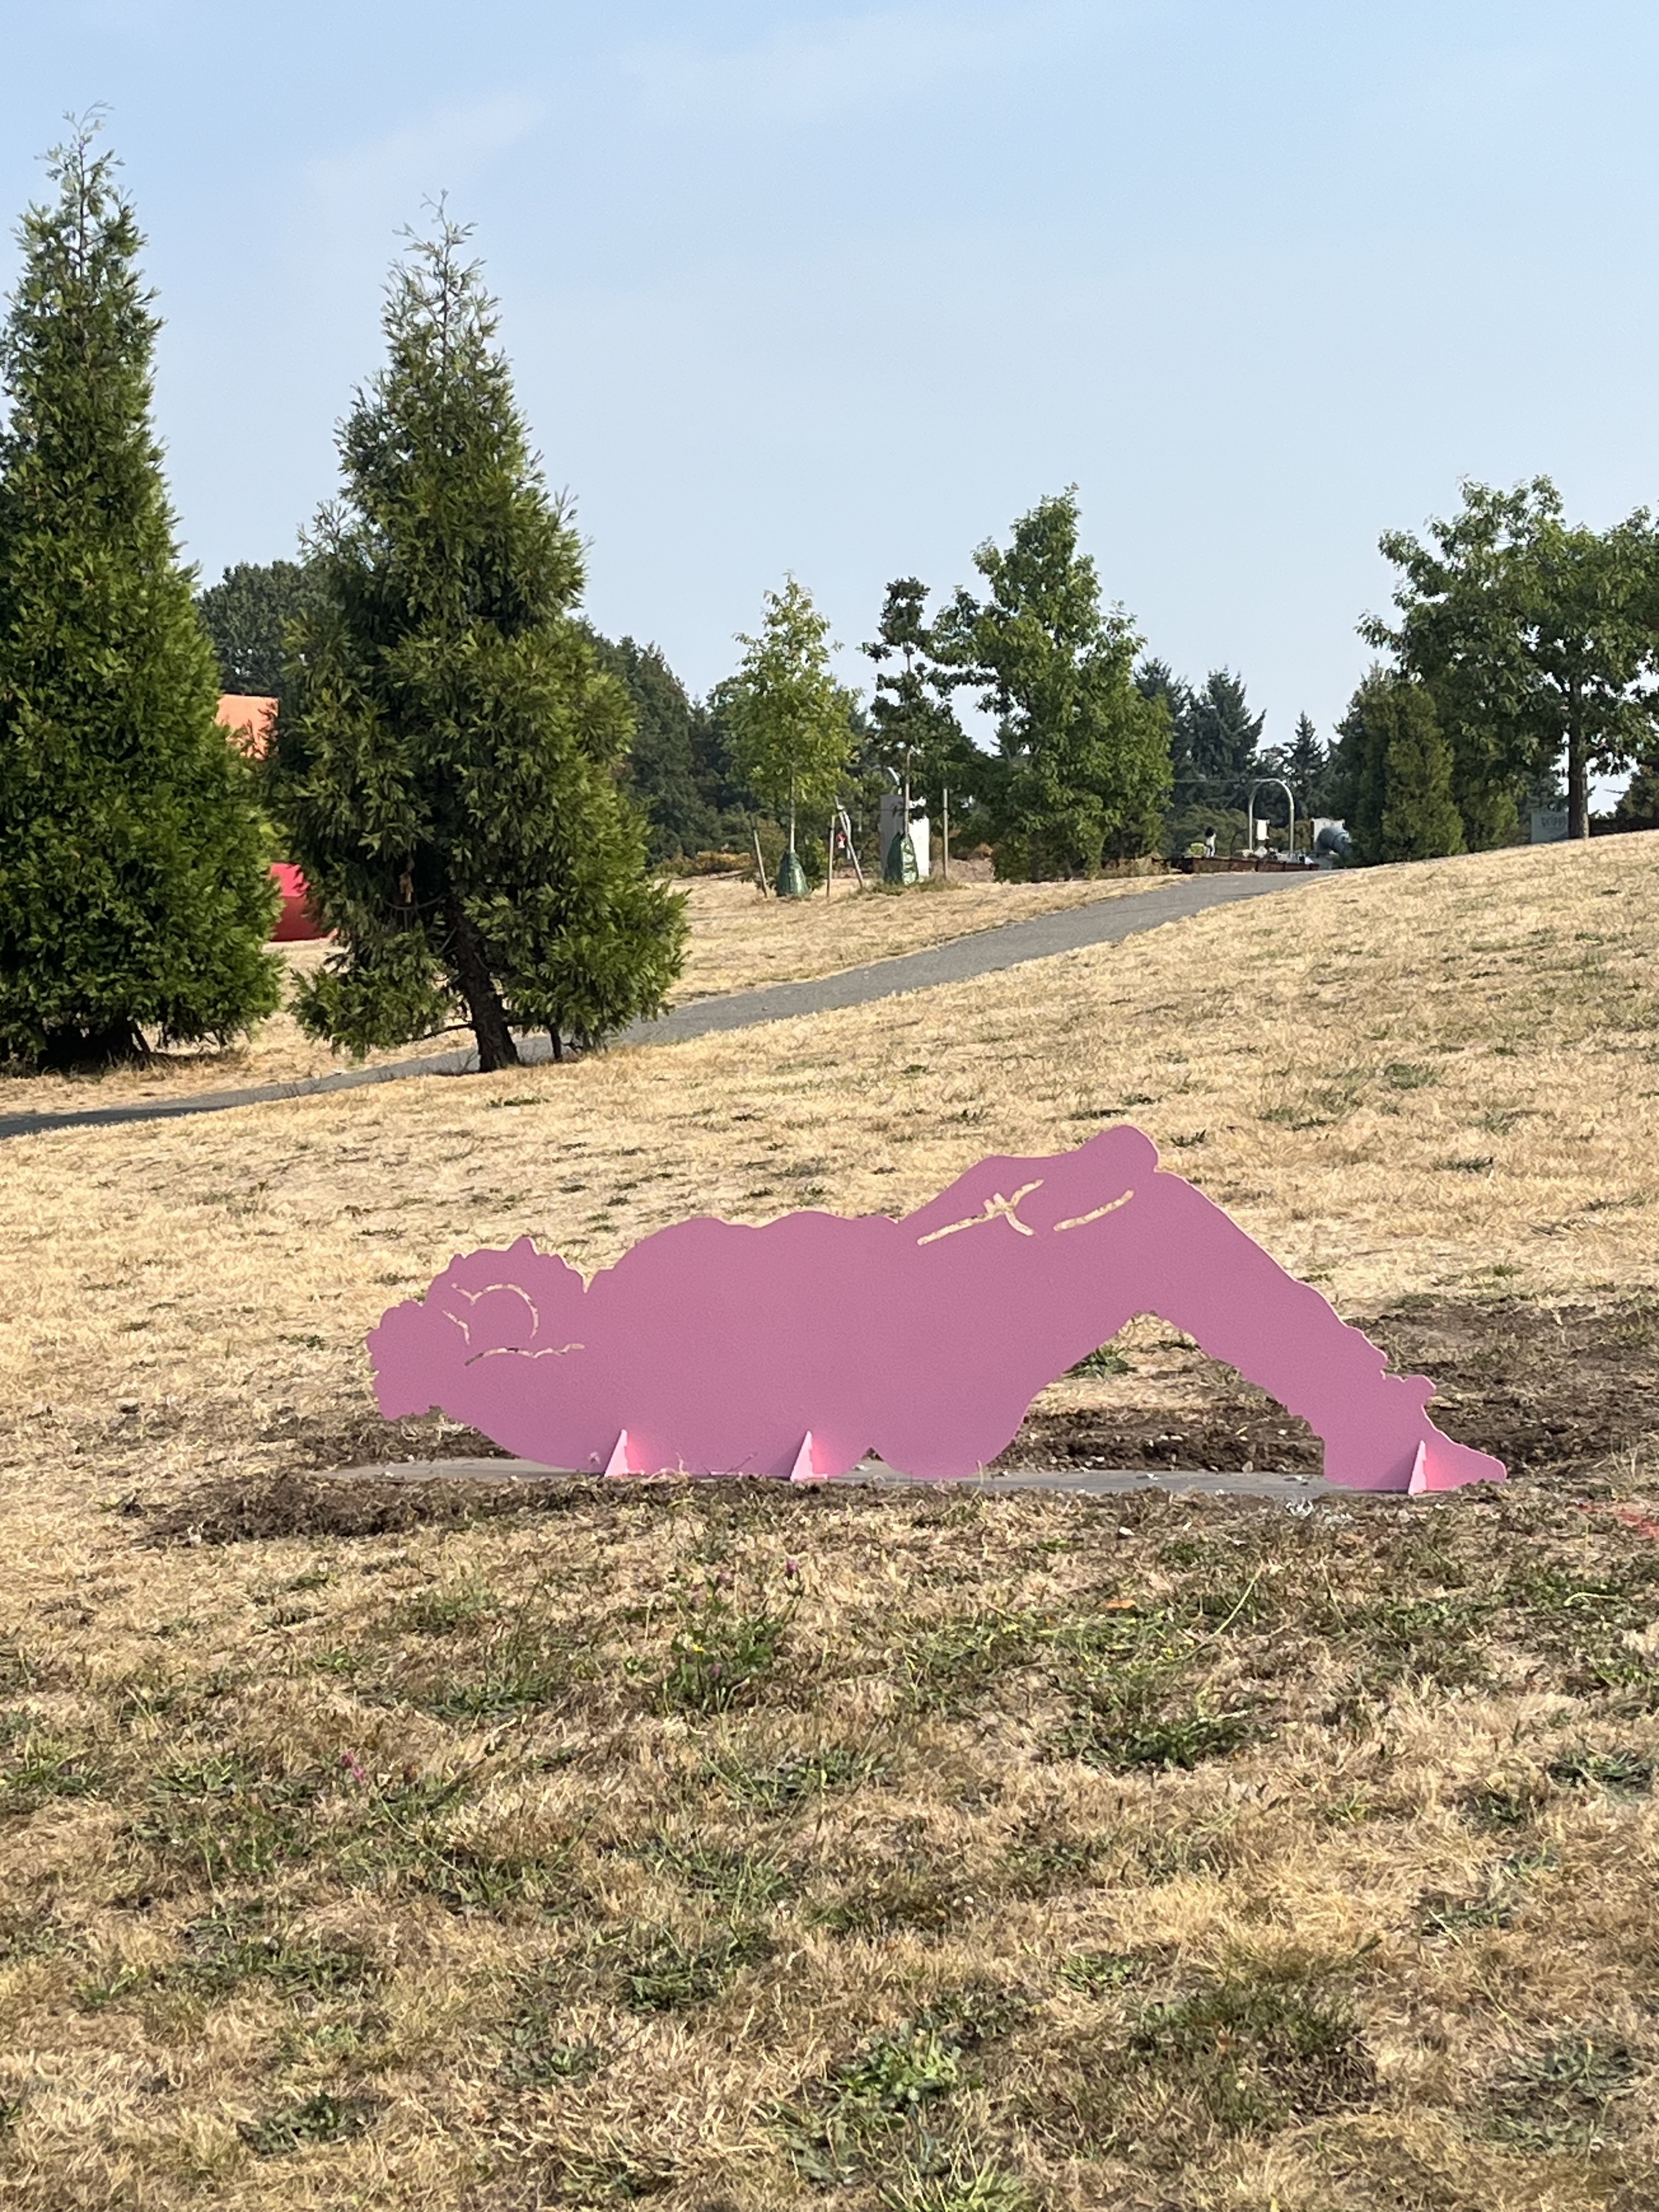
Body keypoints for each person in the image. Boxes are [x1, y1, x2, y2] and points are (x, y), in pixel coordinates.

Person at [371, 1127, 1503, 1493]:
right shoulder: (616, 1325)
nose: (520, 1244)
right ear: (504, 1328)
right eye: (497, 1266)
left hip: (915, 1329)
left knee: (1145, 1212)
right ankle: (1373, 1422)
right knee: (1152, 1223)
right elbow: (492, 1386)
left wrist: (992, 1195)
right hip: (910, 1383)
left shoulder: (648, 1284)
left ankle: (1371, 1418)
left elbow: (859, 1268)